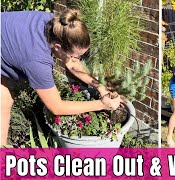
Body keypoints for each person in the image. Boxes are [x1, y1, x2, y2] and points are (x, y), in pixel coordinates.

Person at [1, 9, 122, 145]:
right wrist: (101, 104)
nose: (78, 60)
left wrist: (99, 86)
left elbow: (72, 64)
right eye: (75, 56)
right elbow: (56, 107)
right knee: (3, 99)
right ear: (58, 47)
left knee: (4, 99)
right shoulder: (37, 61)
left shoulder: (60, 25)